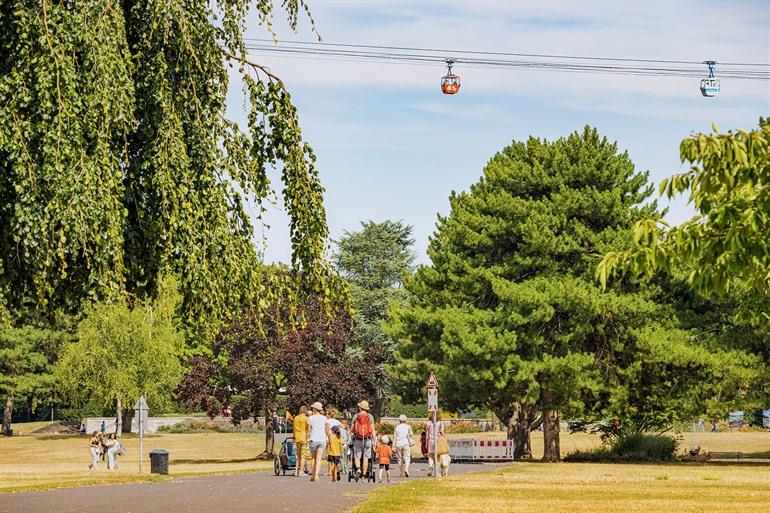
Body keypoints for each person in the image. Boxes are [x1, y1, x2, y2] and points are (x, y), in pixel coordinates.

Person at [351, 400, 376, 482]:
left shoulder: (356, 416)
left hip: (358, 439)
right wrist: (375, 441)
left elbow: (352, 429)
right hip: (367, 439)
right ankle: (364, 476)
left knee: (357, 456)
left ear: (360, 407)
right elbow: (372, 430)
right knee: (366, 457)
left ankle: (358, 469)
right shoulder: (370, 417)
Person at [306, 401, 330, 482]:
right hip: (322, 439)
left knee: (313, 458)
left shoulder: (310, 418)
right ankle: (316, 475)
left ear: (315, 409)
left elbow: (309, 430)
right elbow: (326, 429)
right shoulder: (324, 418)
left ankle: (313, 475)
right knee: (319, 459)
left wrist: (307, 438)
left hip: (313, 439)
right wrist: (329, 437)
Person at [425, 412, 445, 477]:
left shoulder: (428, 423)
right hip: (437, 441)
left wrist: (426, 442)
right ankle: (436, 472)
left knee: (430, 456)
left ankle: (430, 466)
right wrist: (444, 438)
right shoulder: (440, 423)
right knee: (438, 457)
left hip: (430, 441)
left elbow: (427, 434)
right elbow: (442, 432)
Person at [292, 406, 309, 476]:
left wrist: (294, 437)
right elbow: (308, 429)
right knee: (303, 456)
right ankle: (301, 471)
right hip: (303, 437)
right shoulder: (306, 419)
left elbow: (294, 428)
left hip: (297, 437)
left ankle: (296, 470)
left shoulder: (296, 418)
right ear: (305, 411)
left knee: (298, 455)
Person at [326, 409, 342, 476]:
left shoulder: (327, 421)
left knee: (330, 454)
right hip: (337, 438)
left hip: (329, 438)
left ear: (329, 414)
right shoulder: (337, 421)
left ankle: (330, 471)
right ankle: (335, 470)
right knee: (335, 455)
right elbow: (343, 426)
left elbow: (326, 429)